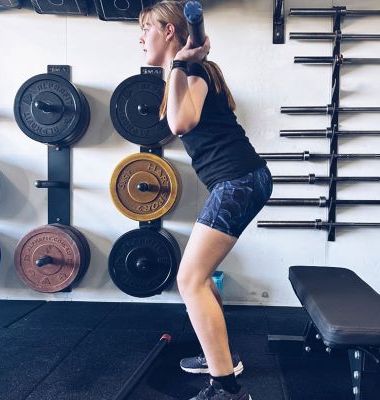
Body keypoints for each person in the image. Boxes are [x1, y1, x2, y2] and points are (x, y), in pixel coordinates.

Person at [139, 2, 273, 399]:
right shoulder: (185, 72)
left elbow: (182, 123)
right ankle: (221, 356)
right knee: (199, 275)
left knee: (189, 279)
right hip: (239, 181)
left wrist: (182, 63)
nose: (140, 39)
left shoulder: (193, 71)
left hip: (238, 181)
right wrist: (179, 65)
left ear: (168, 32)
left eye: (146, 29)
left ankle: (227, 388)